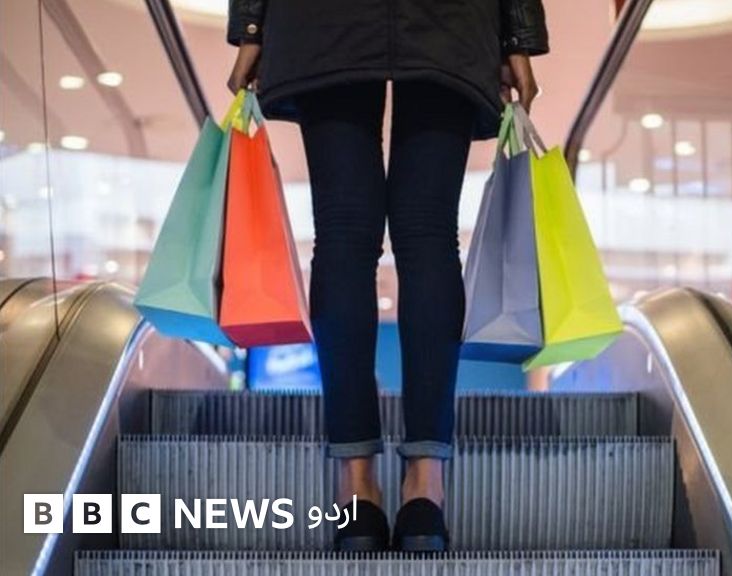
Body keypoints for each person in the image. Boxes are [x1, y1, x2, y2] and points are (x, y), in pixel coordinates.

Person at [225, 0, 549, 553]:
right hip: (450, 21)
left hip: (324, 20)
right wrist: (517, 32)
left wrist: (252, 26)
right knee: (430, 236)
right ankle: (425, 491)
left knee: (342, 236)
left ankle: (356, 491)